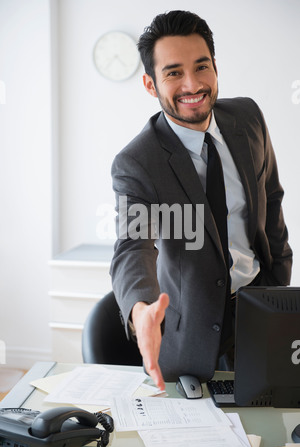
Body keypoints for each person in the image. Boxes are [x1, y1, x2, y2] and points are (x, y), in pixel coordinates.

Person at [110, 10, 293, 391]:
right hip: (190, 332)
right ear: (150, 84)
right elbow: (133, 246)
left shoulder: (248, 118)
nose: (192, 84)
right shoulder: (138, 163)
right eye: (173, 72)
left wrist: (277, 282)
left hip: (260, 310)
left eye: (201, 66)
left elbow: (271, 198)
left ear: (214, 67)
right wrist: (140, 310)